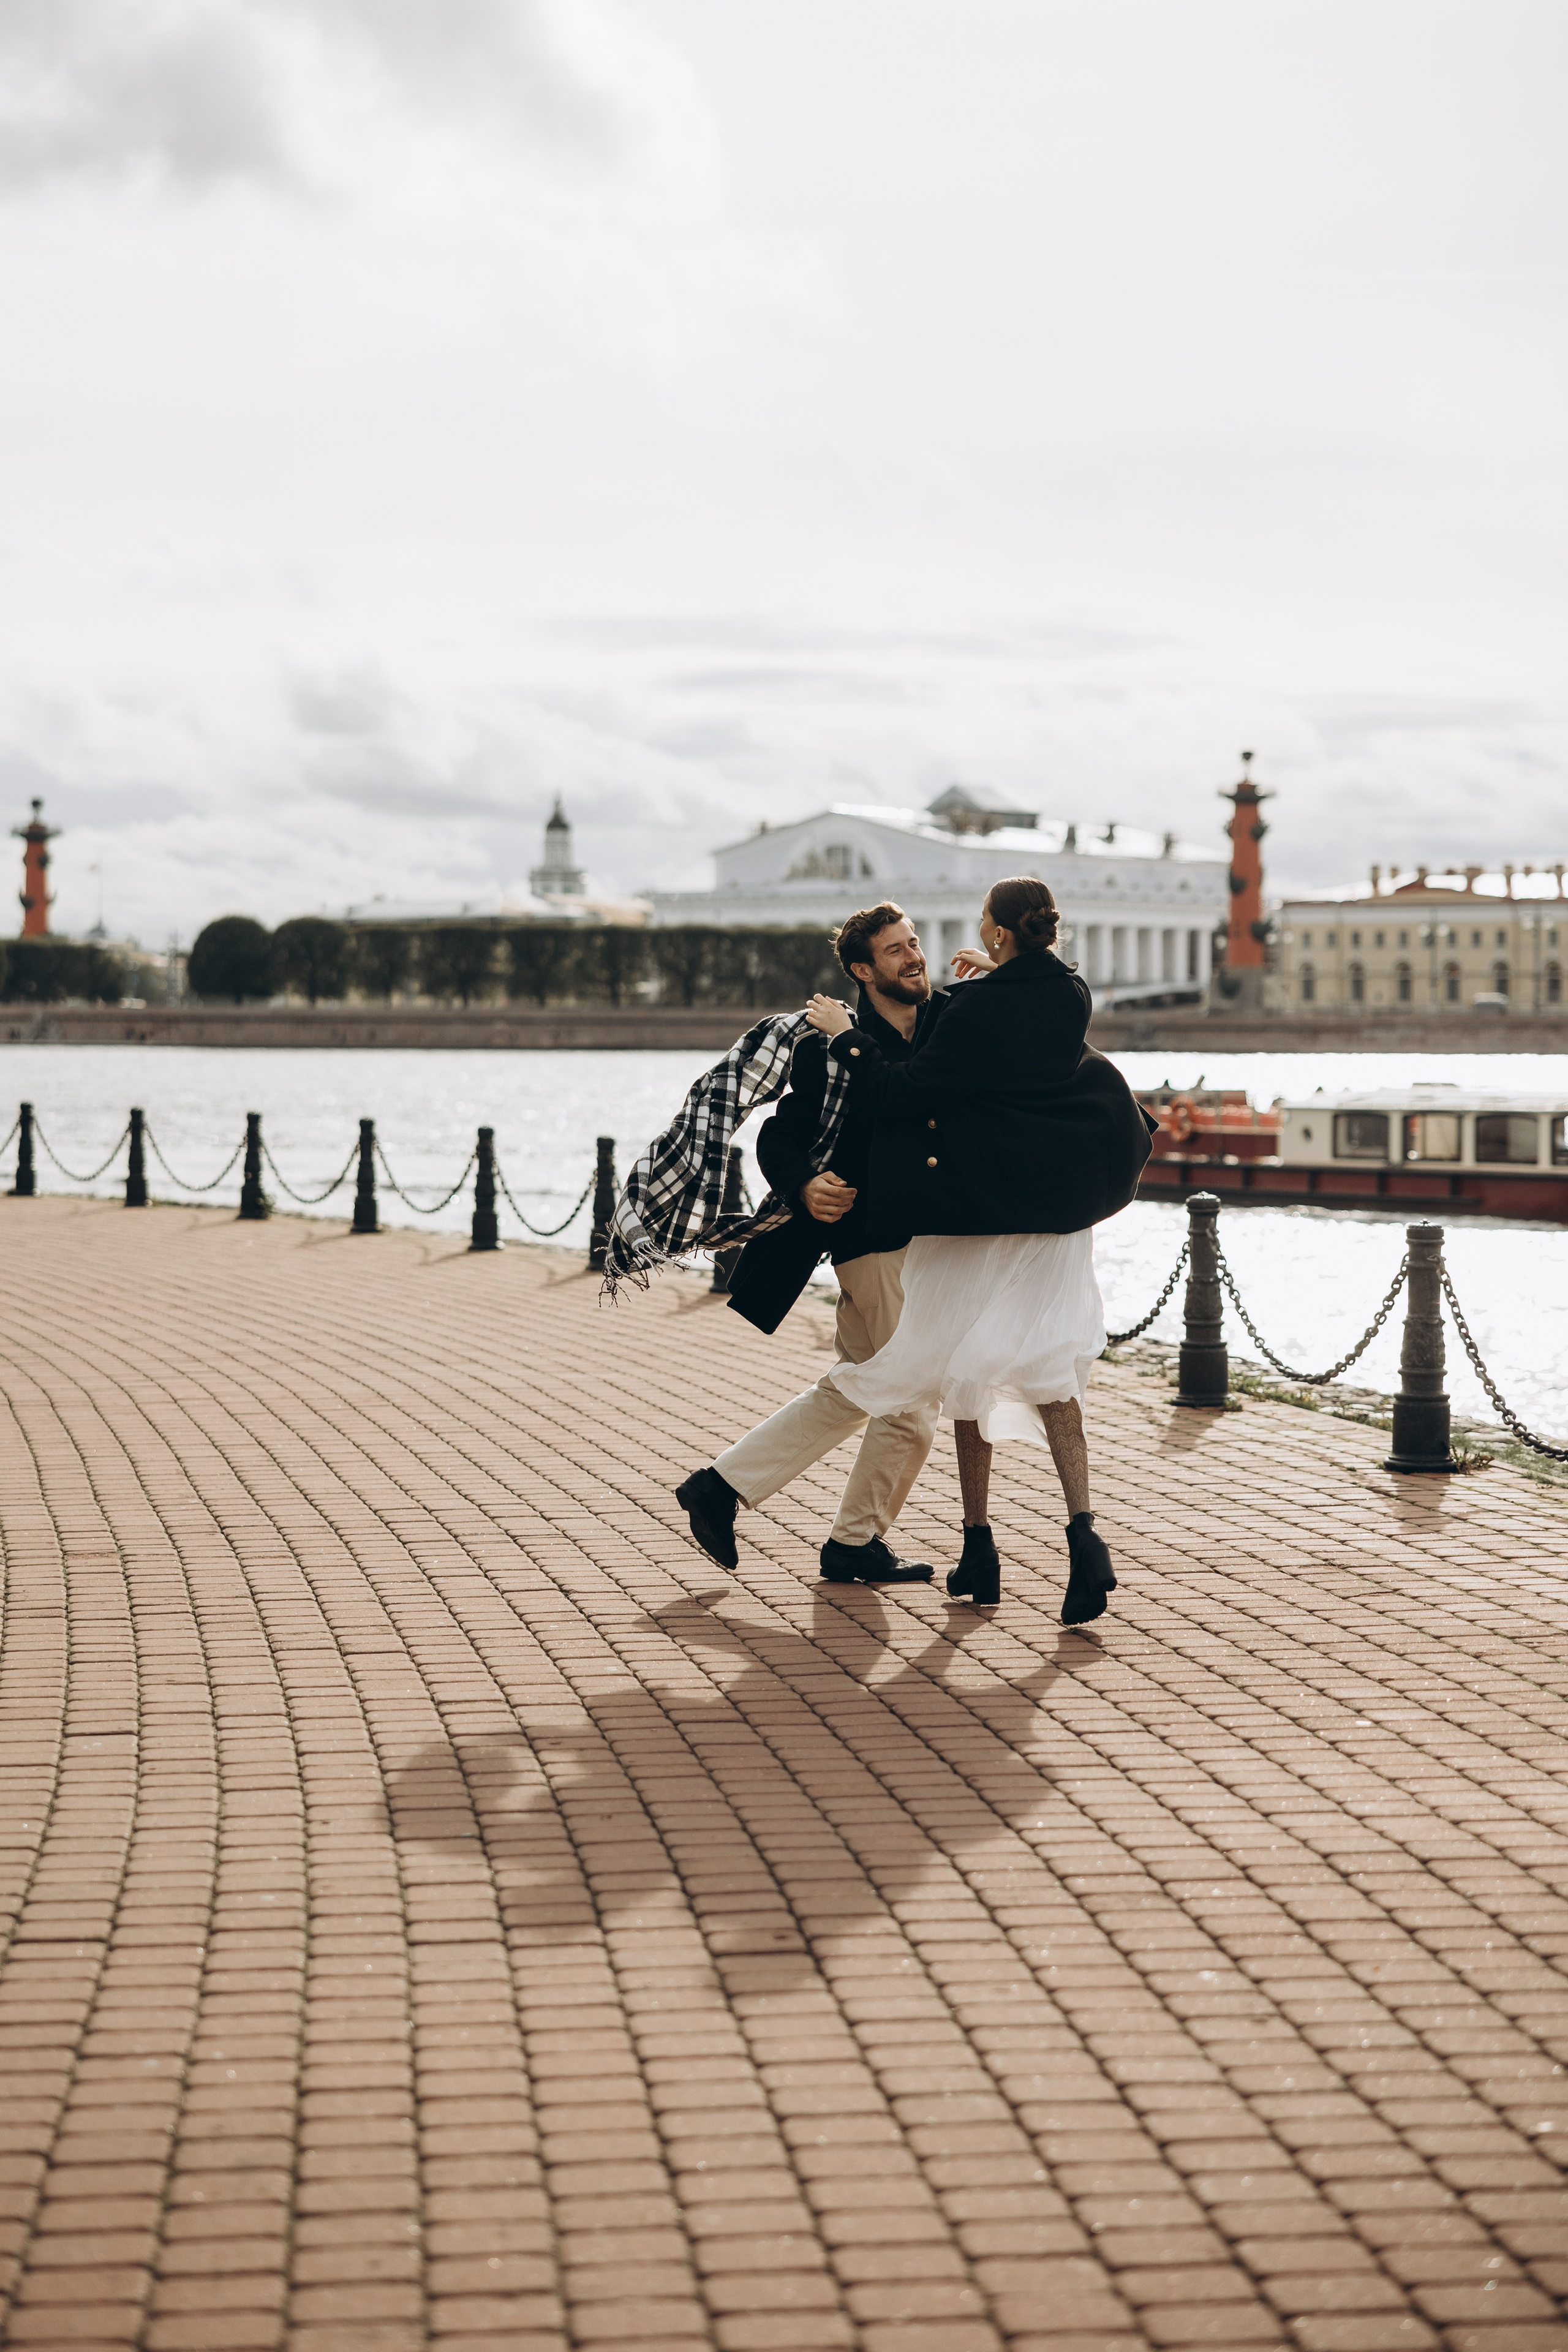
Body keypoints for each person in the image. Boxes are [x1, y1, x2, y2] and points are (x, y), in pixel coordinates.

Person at [804, 875, 1154, 1624]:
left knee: (966, 1369)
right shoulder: (1071, 992)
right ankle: (1084, 1535)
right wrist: (996, 975)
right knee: (1055, 1374)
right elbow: (1024, 1033)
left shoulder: (978, 1010)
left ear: (996, 933)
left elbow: (902, 1092)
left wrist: (846, 1039)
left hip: (983, 1214)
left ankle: (979, 1547)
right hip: (1060, 1221)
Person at [676, 903, 952, 1586]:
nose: (913, 957)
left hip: (932, 1241)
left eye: (914, 943)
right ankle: (853, 1542)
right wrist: (803, 1183)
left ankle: (722, 1488)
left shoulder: (949, 1023)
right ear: (863, 969)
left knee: (857, 1389)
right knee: (912, 1399)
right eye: (895, 951)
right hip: (874, 1239)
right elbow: (779, 1133)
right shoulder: (826, 1042)